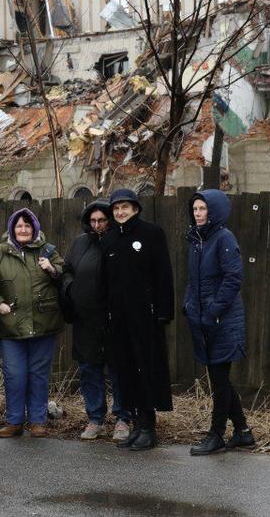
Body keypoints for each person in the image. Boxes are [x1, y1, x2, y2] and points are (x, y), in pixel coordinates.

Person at [102, 188, 174, 451]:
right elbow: (105, 283)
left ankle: (149, 427)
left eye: (125, 207)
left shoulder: (151, 233)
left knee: (146, 371)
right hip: (119, 319)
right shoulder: (109, 240)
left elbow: (164, 275)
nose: (120, 212)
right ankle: (136, 425)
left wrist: (164, 311)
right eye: (116, 208)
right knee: (126, 372)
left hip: (147, 318)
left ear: (135, 208)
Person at [184, 189, 254, 456]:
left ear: (214, 211)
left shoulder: (223, 238)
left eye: (203, 209)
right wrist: (189, 304)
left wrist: (214, 309)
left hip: (222, 321)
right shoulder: (197, 240)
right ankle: (243, 432)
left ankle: (216, 435)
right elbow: (194, 279)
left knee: (219, 379)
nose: (198, 214)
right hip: (203, 319)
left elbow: (233, 278)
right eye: (195, 209)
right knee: (219, 378)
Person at [0, 207, 64, 438]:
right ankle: (15, 421)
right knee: (15, 375)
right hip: (11, 325)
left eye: (27, 226)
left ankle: (38, 421)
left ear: (34, 228)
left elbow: (65, 273)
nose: (23, 229)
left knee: (38, 374)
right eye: (19, 226)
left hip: (44, 323)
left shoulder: (47, 250)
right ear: (12, 228)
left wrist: (51, 269)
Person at [61, 200, 132, 441]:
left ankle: (123, 418)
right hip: (86, 318)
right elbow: (67, 268)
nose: (97, 225)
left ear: (109, 220)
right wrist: (71, 288)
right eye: (93, 221)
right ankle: (95, 418)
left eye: (102, 220)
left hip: (114, 318)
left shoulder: (119, 240)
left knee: (119, 369)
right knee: (89, 369)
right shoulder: (81, 243)